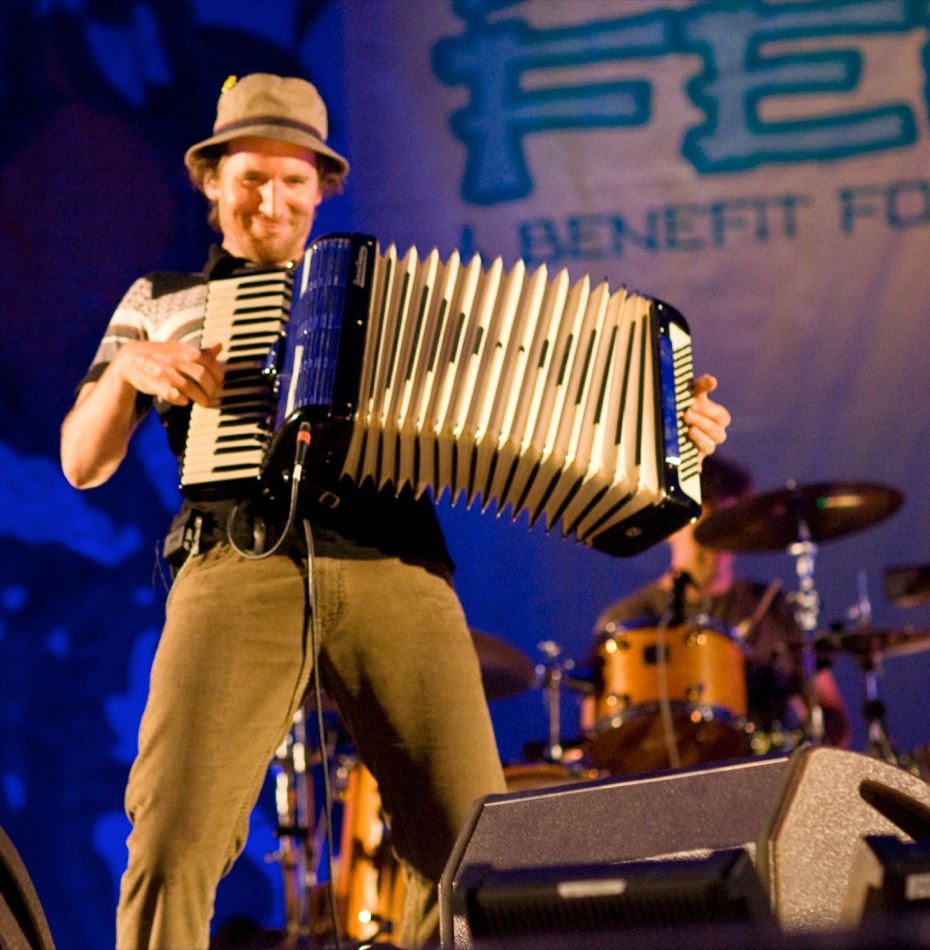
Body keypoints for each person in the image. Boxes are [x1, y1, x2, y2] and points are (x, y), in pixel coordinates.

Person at [59, 73, 733, 949]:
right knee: (171, 839)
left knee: (470, 848)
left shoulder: (404, 300)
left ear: (322, 189)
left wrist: (664, 429)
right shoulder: (163, 300)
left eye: (293, 180)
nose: (271, 201)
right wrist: (127, 372)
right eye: (251, 178)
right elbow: (83, 462)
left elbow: (539, 389)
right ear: (211, 181)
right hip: (238, 564)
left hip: (395, 565)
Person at [586, 453, 851, 774]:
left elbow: (830, 713)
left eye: (727, 520)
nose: (714, 534)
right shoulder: (625, 620)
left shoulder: (774, 608)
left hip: (762, 785)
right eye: (701, 519)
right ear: (669, 527)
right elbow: (596, 733)